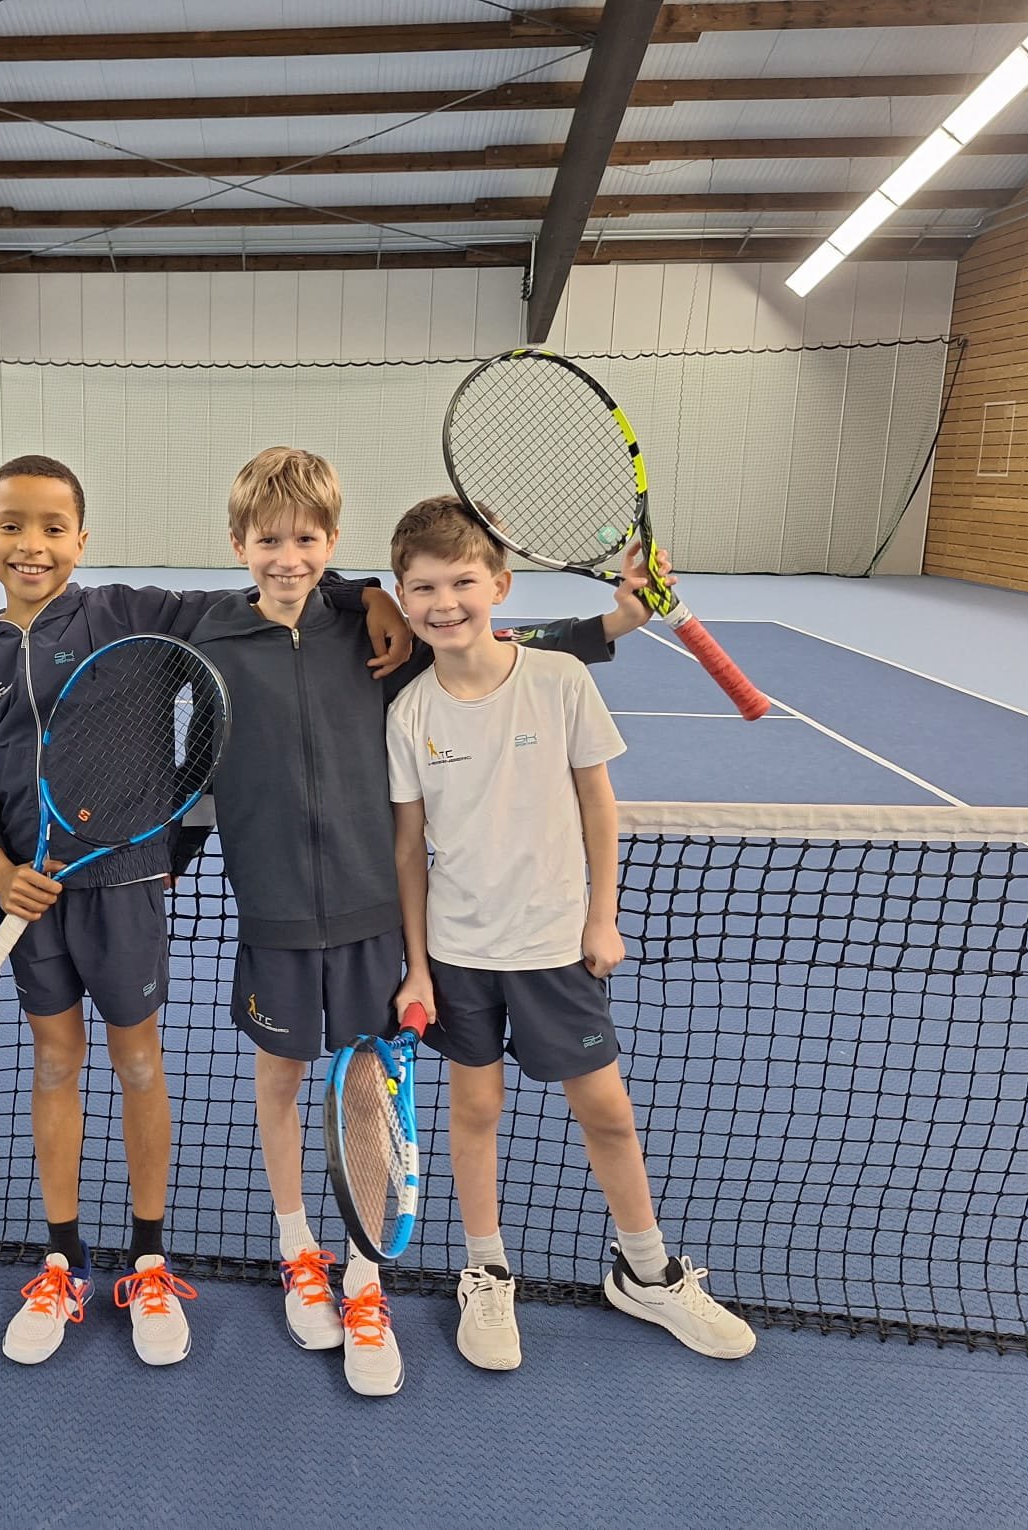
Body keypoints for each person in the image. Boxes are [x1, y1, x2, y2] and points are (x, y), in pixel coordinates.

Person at [191, 448, 645, 1395]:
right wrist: (154, 862)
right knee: (280, 1082)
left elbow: (488, 641)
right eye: (268, 540)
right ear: (238, 543)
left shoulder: (377, 635)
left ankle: (364, 1278)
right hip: (272, 913)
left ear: (332, 541)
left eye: (307, 539)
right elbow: (193, 766)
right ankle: (298, 1252)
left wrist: (614, 622)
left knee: (367, 1091)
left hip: (374, 921)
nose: (287, 557)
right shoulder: (212, 641)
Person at [0, 453, 411, 1368]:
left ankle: (150, 1261)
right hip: (32, 898)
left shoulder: (133, 614)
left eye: (53, 528)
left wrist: (367, 594)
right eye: (13, 526)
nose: (32, 545)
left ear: (82, 538)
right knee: (53, 1065)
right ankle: (63, 1260)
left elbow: (270, 593)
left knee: (140, 1066)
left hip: (125, 888)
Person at [384, 495, 757, 1369]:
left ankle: (648, 1271)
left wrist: (602, 915)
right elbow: (407, 848)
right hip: (457, 954)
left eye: (462, 582)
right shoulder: (410, 712)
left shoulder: (558, 680)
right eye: (423, 588)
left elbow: (598, 802)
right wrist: (417, 967)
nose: (445, 602)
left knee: (607, 1113)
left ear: (500, 586)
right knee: (475, 1110)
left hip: (554, 947)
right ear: (402, 599)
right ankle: (486, 1271)